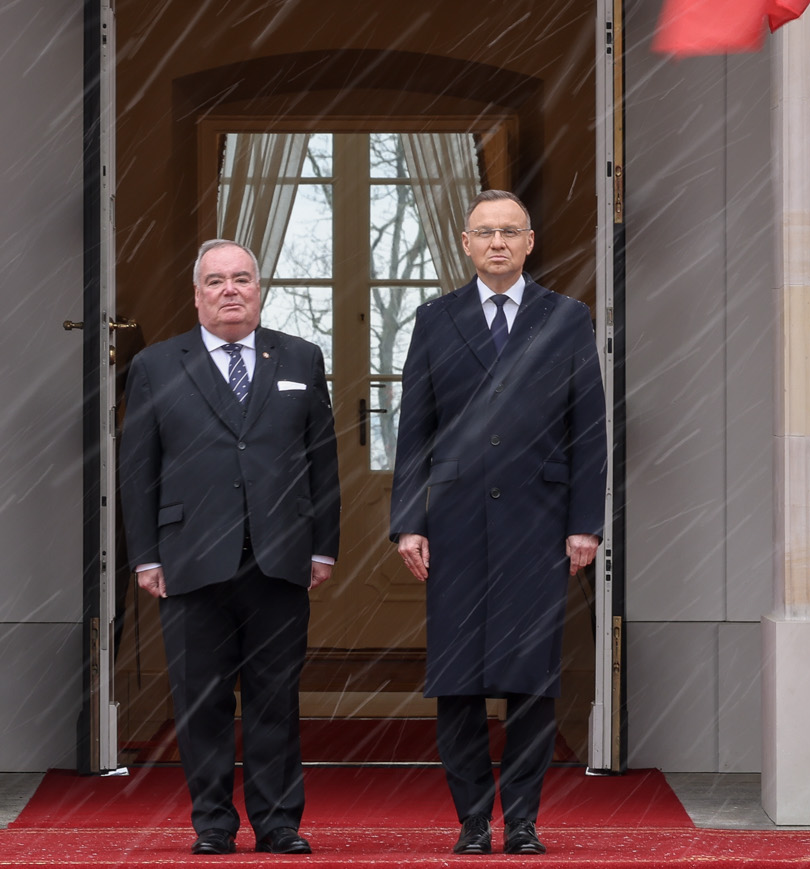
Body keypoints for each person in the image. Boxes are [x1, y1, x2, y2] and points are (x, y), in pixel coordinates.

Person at [390, 189, 607, 856]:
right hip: (452, 524)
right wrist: (408, 521)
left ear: (530, 241)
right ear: (464, 242)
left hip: (538, 524)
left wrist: (584, 523)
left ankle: (522, 820)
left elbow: (589, 429)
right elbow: (415, 429)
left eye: (510, 231)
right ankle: (472, 820)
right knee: (456, 680)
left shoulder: (566, 317)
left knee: (529, 678)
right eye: (484, 231)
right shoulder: (434, 318)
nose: (497, 242)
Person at [118, 239, 339, 855]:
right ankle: (213, 823)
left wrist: (324, 547)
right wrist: (146, 555)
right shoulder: (158, 365)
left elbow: (323, 462)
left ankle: (278, 823)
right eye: (216, 281)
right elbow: (138, 470)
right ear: (197, 295)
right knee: (202, 701)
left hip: (279, 554)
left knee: (276, 698)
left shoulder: (300, 357)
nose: (230, 291)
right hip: (190, 557)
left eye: (242, 278)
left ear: (259, 289)